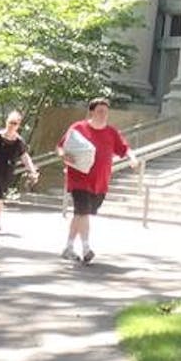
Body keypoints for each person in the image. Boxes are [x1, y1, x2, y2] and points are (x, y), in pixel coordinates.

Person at [56, 97, 137, 265]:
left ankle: (68, 247)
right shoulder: (78, 128)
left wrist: (132, 158)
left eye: (106, 112)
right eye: (100, 111)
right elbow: (60, 147)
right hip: (79, 178)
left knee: (81, 214)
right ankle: (86, 248)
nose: (103, 115)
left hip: (100, 181)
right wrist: (64, 155)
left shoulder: (111, 132)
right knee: (83, 212)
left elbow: (124, 148)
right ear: (91, 112)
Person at [0, 110, 38, 234]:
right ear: (7, 122)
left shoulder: (19, 141)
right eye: (10, 122)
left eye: (15, 123)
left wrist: (32, 170)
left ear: (18, 125)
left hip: (6, 171)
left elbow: (25, 157)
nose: (12, 125)